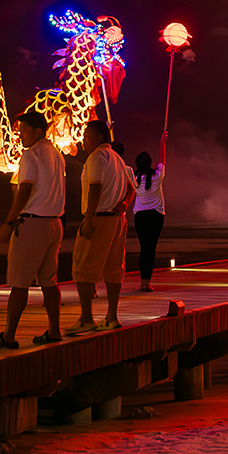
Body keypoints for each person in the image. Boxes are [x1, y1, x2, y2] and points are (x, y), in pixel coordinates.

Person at [0, 110, 65, 350]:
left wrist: (9, 222)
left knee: (19, 283)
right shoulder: (56, 154)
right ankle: (54, 330)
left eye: (23, 131)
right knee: (49, 281)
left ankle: (9, 336)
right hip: (54, 223)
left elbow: (25, 190)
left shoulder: (31, 155)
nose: (19, 136)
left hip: (32, 224)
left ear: (37, 130)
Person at [67, 118, 135, 335]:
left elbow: (94, 188)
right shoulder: (116, 158)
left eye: (86, 135)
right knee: (114, 269)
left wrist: (88, 219)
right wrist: (123, 204)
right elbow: (131, 188)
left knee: (83, 267)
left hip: (99, 217)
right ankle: (111, 317)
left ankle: (86, 318)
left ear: (99, 137)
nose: (83, 140)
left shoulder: (97, 157)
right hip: (117, 220)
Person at [132, 132, 167, 292]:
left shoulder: (134, 177)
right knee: (150, 248)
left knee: (143, 248)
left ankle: (142, 282)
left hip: (140, 216)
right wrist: (162, 143)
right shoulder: (157, 175)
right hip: (155, 215)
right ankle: (146, 282)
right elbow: (162, 160)